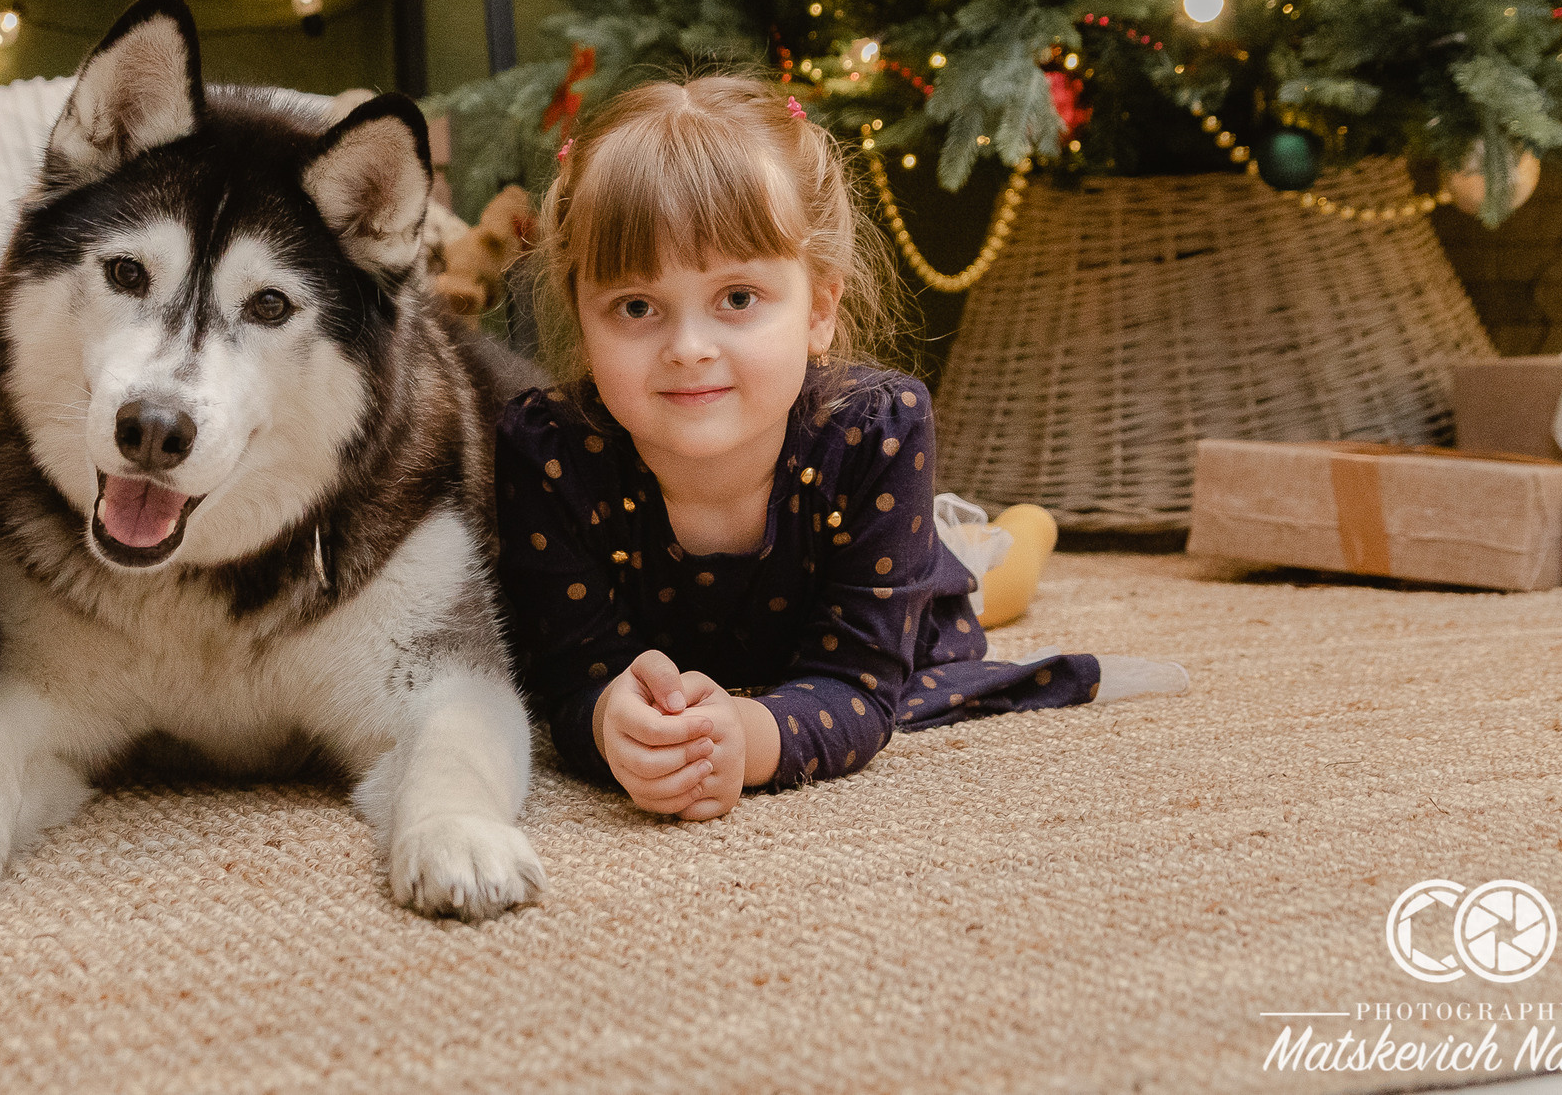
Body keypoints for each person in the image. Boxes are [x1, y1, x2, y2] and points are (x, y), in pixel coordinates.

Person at [495, 74, 1186, 821]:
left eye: (736, 298)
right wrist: (610, 723)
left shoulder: (878, 429)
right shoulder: (548, 450)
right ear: (581, 315)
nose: (689, 348)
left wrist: (750, 738)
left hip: (893, 593)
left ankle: (1024, 532)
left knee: (985, 579)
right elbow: (570, 671)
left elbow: (858, 683)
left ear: (820, 310)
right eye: (636, 306)